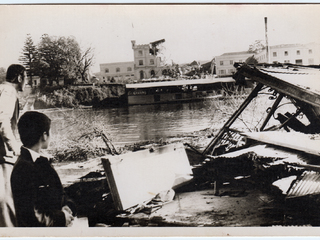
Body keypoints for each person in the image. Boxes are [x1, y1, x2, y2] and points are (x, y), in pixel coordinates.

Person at [11, 111, 76, 227]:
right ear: (44, 135)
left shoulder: (38, 161)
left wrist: (65, 206)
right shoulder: (24, 168)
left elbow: (56, 194)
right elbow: (30, 216)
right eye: (50, 132)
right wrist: (61, 218)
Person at [0, 64, 26, 227]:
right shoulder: (8, 92)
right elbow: (3, 122)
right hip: (4, 155)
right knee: (6, 203)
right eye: (26, 78)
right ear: (19, 78)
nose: (26, 82)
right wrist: (15, 148)